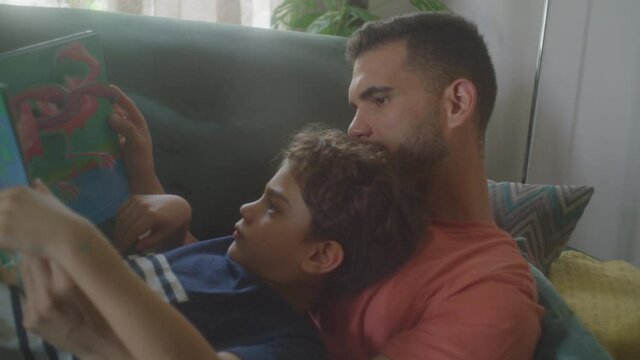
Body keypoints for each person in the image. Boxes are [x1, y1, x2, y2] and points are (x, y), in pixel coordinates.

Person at [0, 95, 423, 359]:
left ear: (320, 255)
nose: (247, 208)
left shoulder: (288, 342)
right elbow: (164, 264)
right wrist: (140, 166)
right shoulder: (228, 255)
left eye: (273, 208)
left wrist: (75, 242)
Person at [309, 11, 545, 360]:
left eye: (379, 100)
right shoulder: (356, 207)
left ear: (457, 104)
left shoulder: (488, 292)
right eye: (356, 107)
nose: (353, 130)